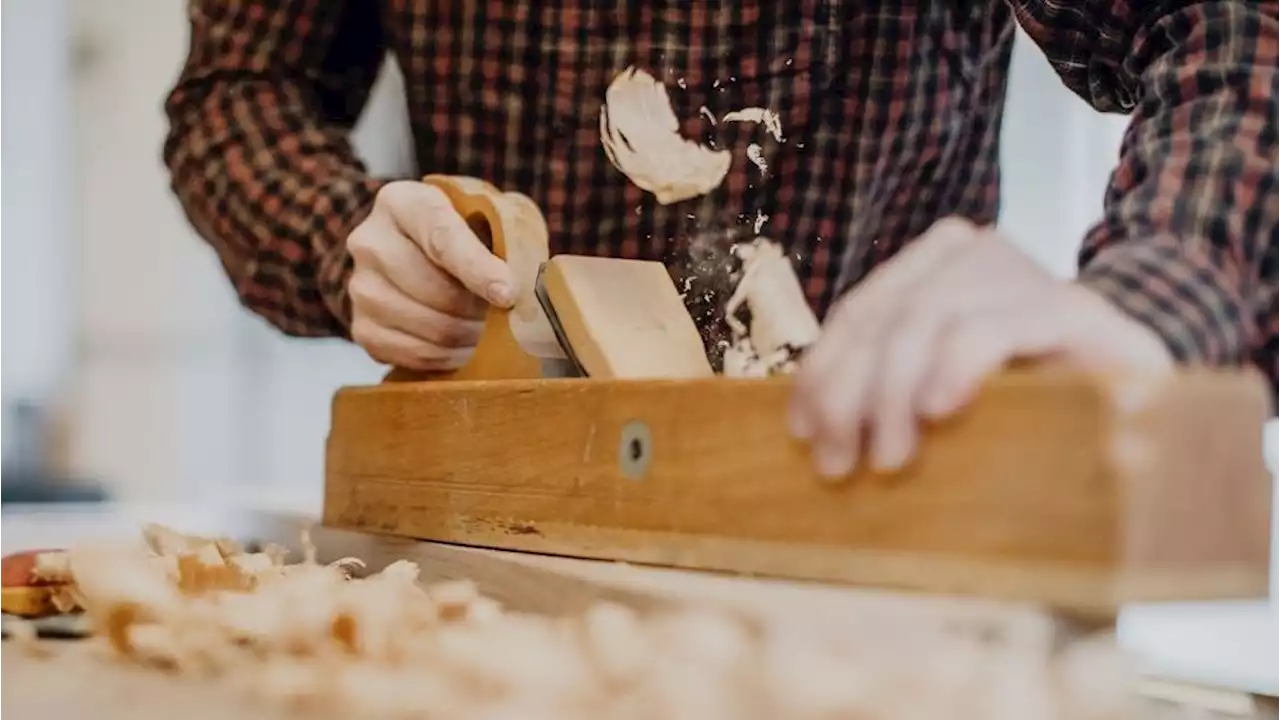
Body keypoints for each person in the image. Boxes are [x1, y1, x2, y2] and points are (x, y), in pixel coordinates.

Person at [163, 2, 1278, 479]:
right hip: (488, 511)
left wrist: (1158, 287)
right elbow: (242, 87)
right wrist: (333, 230)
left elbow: (1239, 31)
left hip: (865, 482)